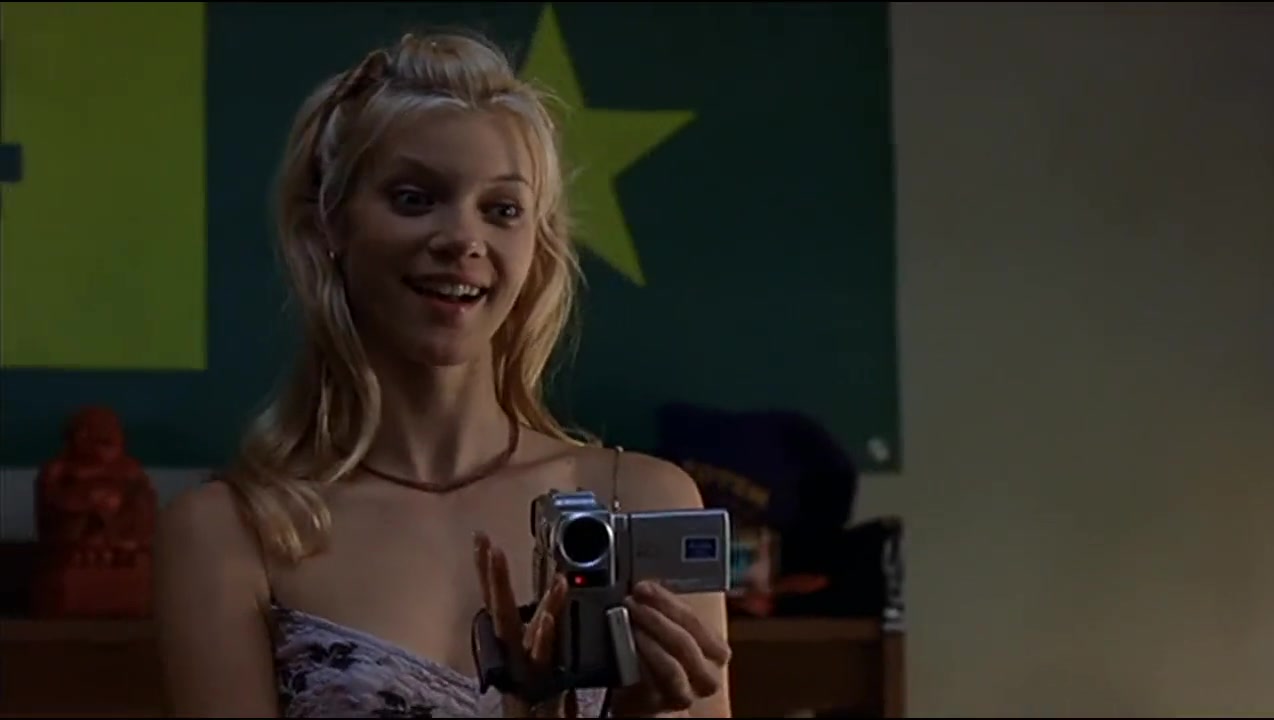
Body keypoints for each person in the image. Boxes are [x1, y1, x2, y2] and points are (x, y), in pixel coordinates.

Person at [152, 29, 732, 719]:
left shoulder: (641, 504)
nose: (463, 239)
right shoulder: (231, 533)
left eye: (502, 210)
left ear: (538, 244)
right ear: (329, 223)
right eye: (414, 198)